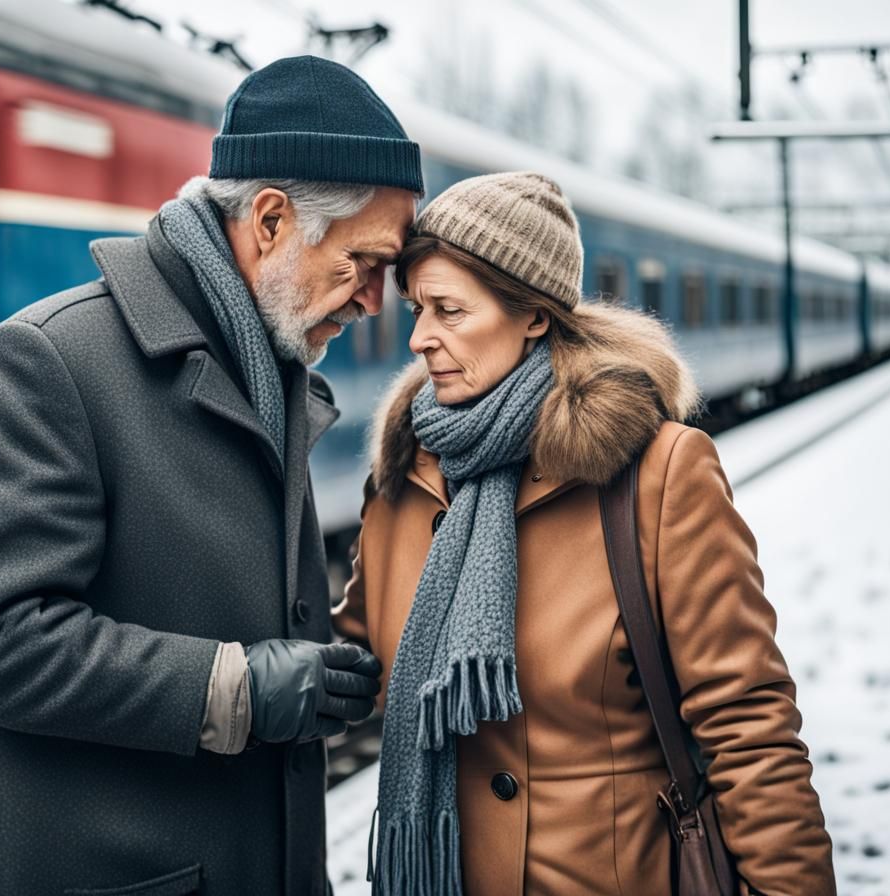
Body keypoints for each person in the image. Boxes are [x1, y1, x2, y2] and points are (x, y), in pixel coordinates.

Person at [0, 56, 421, 896]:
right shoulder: (47, 363)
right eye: (363, 263)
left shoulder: (269, 366)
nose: (376, 301)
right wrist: (239, 687)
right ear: (269, 221)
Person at [333, 172, 836, 895]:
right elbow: (359, 656)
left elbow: (748, 726)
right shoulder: (407, 473)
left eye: (448, 310)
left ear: (533, 316)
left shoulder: (657, 474)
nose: (418, 339)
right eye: (416, 309)